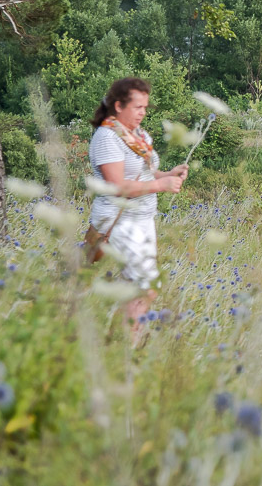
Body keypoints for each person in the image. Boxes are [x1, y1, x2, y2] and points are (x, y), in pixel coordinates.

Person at [87, 77, 186, 333]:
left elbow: (146, 175)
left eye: (145, 107)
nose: (143, 112)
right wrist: (161, 186)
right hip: (118, 220)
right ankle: (126, 349)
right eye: (137, 107)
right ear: (119, 106)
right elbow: (117, 186)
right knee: (145, 288)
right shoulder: (107, 137)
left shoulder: (139, 135)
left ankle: (121, 342)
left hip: (143, 219)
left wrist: (168, 175)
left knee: (140, 288)